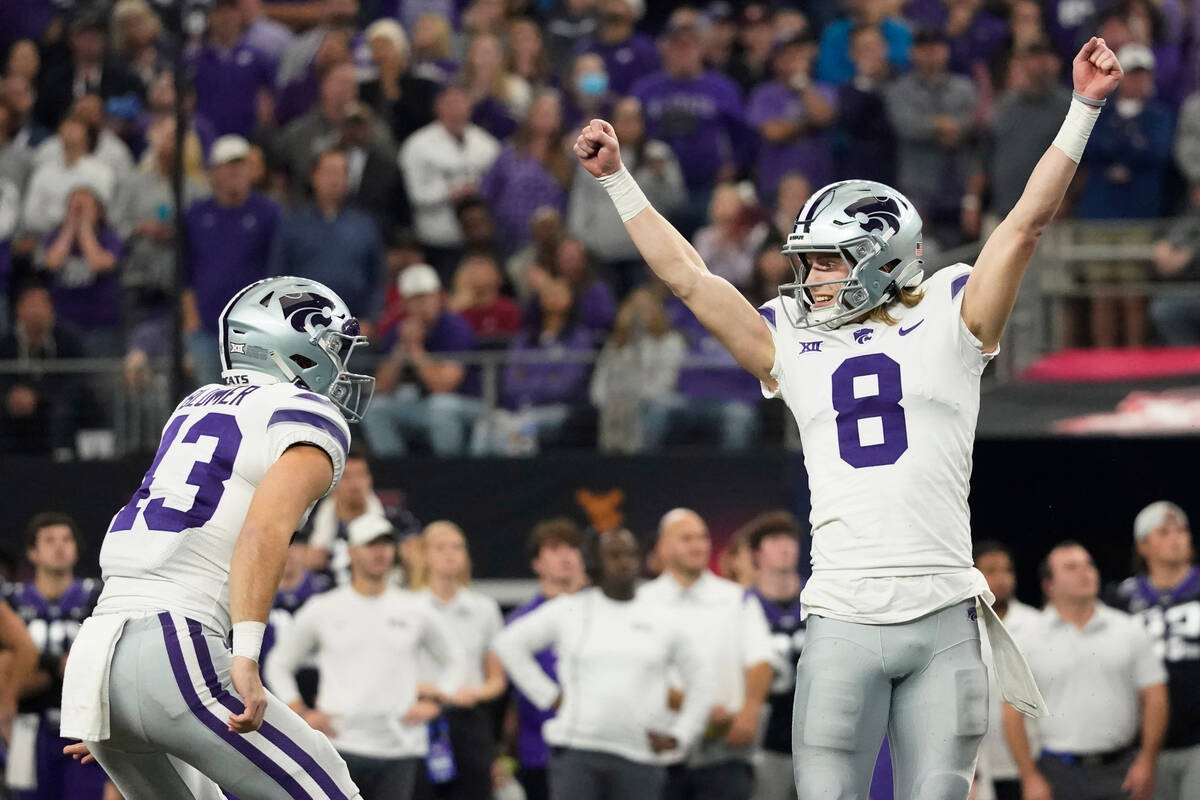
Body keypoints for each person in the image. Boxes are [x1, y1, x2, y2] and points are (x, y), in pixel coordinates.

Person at [572, 32, 1127, 800]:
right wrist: (620, 183)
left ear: (881, 254)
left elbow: (1026, 223)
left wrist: (1083, 109)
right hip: (840, 610)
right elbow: (693, 282)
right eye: (808, 262)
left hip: (940, 612)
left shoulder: (953, 311)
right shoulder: (793, 337)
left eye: (828, 260)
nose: (812, 278)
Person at [58, 275, 375, 799]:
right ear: (290, 345)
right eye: (332, 350)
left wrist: (128, 700)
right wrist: (246, 655)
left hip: (98, 656)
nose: (341, 368)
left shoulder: (195, 404)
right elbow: (264, 531)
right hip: (174, 646)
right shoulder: (306, 416)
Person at [493, 527, 713, 800]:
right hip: (578, 751)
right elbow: (508, 644)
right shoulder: (571, 610)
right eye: (614, 555)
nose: (625, 562)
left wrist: (682, 734)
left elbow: (703, 679)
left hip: (640, 756)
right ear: (595, 563)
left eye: (631, 554)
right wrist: (548, 696)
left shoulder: (661, 618)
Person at [265, 514, 464, 800]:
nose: (380, 551)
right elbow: (279, 663)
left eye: (385, 544)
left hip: (400, 747)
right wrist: (300, 712)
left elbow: (455, 657)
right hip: (340, 745)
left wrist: (437, 701)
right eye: (370, 544)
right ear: (351, 552)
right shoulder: (325, 608)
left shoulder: (415, 609)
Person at [1006, 542, 1168, 800]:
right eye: (1071, 567)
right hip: (1058, 773)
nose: (1085, 572)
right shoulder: (1028, 640)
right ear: (1049, 585)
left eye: (1089, 564)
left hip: (1122, 769)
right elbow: (1013, 713)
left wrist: (1147, 761)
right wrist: (1028, 775)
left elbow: (1155, 696)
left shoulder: (1129, 629)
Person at [640, 509, 774, 800]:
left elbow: (762, 660)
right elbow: (637, 675)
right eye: (686, 538)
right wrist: (697, 707)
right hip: (660, 755)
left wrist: (750, 709)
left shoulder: (736, 598)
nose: (698, 545)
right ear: (662, 548)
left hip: (726, 753)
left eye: (702, 537)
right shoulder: (641, 603)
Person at [2, 513, 105, 800]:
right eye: (49, 540)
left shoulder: (97, 596)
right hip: (24, 726)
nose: (59, 547)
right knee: (24, 796)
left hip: (82, 728)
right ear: (32, 552)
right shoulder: (11, 600)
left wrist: (37, 664)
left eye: (66, 539)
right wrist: (54, 665)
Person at [1105, 502, 1200, 800]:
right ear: (1143, 545)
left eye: (1182, 530)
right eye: (1164, 532)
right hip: (1142, 744)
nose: (1177, 538)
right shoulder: (1120, 597)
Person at [413, 521, 507, 800]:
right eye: (441, 548)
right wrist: (427, 691)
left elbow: (497, 678)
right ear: (425, 555)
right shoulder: (408, 607)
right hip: (423, 718)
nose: (450, 554)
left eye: (457, 547)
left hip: (470, 719)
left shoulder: (484, 609)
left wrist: (476, 693)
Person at [182, 135, 281, 387]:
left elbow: (278, 270)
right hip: (206, 328)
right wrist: (190, 318)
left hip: (254, 330)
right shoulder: (196, 215)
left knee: (250, 397)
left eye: (241, 164)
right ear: (213, 172)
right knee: (210, 398)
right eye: (228, 165)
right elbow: (184, 271)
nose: (235, 171)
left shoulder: (268, 214)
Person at [503, 518, 586, 800]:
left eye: (572, 547)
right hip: (540, 751)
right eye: (554, 548)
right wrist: (555, 699)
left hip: (595, 746)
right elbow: (506, 699)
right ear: (537, 563)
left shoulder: (601, 610)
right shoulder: (519, 624)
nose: (566, 555)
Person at [362, 264, 482, 457]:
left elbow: (443, 386)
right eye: (414, 299)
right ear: (404, 303)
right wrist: (401, 349)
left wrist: (415, 350)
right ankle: (397, 474)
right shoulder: (398, 331)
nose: (421, 305)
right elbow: (382, 388)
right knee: (375, 409)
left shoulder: (455, 327)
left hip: (468, 403)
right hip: (422, 404)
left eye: (426, 297)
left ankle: (450, 472)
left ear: (439, 297)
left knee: (441, 405)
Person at [269, 148, 384, 327]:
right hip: (303, 327)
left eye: (341, 173)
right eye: (329, 172)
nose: (335, 180)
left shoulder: (365, 225)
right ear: (314, 176)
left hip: (353, 326)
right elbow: (278, 276)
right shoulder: (294, 225)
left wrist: (371, 318)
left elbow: (377, 278)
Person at [741, 511, 805, 800]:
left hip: (820, 742)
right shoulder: (741, 607)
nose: (785, 546)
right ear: (756, 552)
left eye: (790, 538)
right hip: (765, 745)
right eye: (774, 539)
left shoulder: (820, 599)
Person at [972, 541, 1041, 800]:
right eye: (991, 570)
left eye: (1007, 570)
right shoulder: (958, 628)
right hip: (977, 767)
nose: (1001, 579)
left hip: (1031, 764)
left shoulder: (1037, 625)